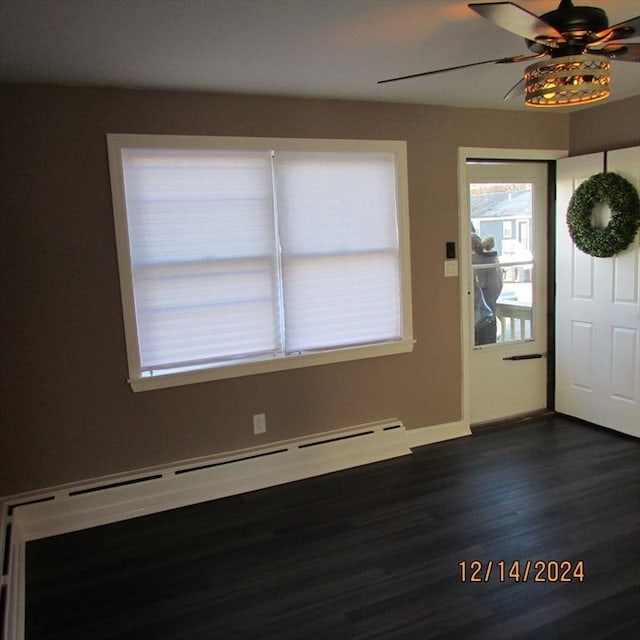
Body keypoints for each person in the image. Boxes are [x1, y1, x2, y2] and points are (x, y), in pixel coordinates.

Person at [472, 234, 503, 345]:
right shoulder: (494, 261)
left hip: (476, 321)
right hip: (490, 318)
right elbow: (498, 287)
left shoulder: (472, 263)